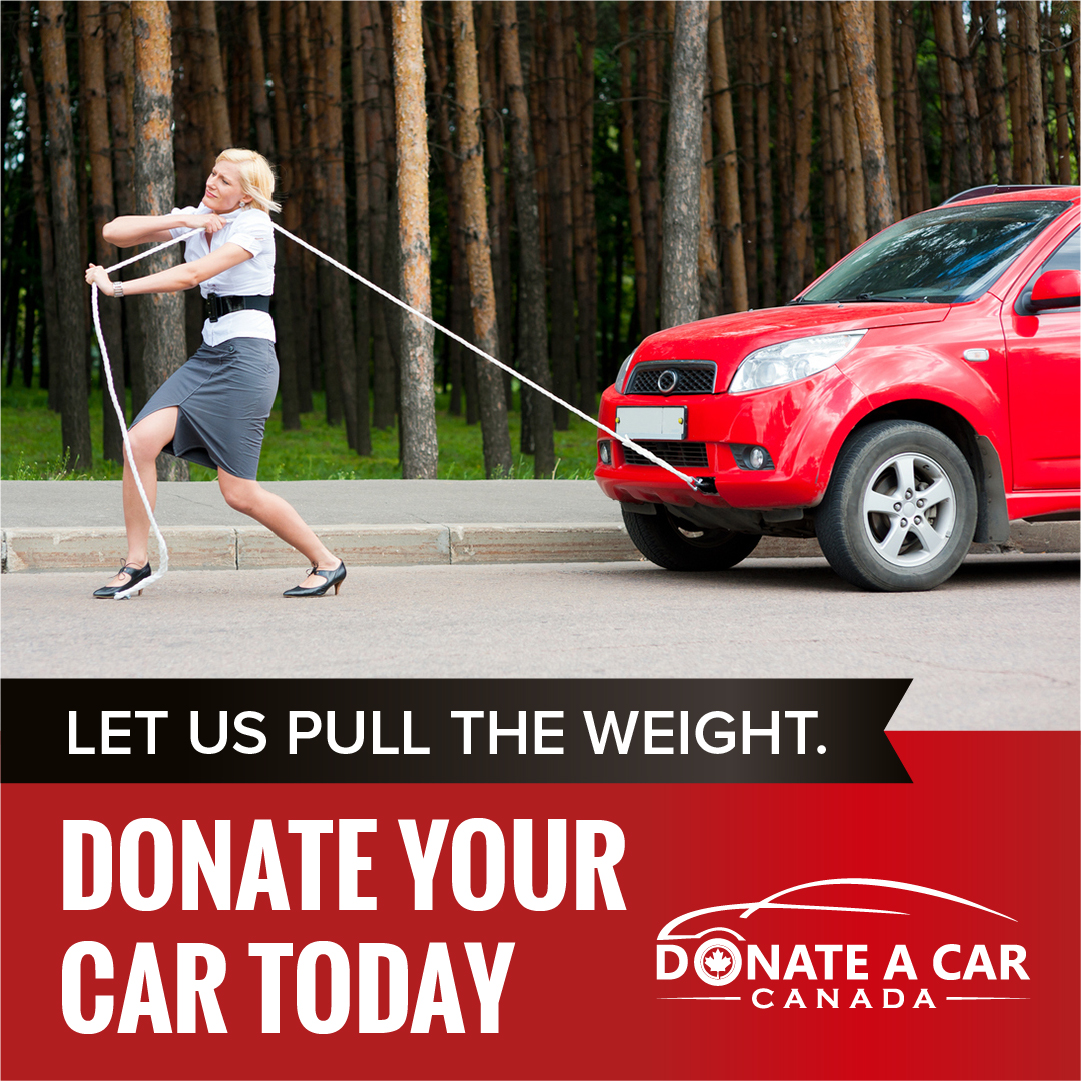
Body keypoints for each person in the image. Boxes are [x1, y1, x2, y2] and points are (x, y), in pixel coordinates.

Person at [84, 148, 346, 599]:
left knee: (238, 493)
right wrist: (181, 221)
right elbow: (114, 232)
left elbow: (193, 274)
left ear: (246, 195)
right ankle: (136, 563)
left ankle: (327, 563)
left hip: (247, 358)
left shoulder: (255, 226)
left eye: (225, 181)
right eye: (213, 173)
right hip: (211, 354)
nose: (212, 183)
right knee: (138, 444)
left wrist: (119, 287)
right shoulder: (200, 213)